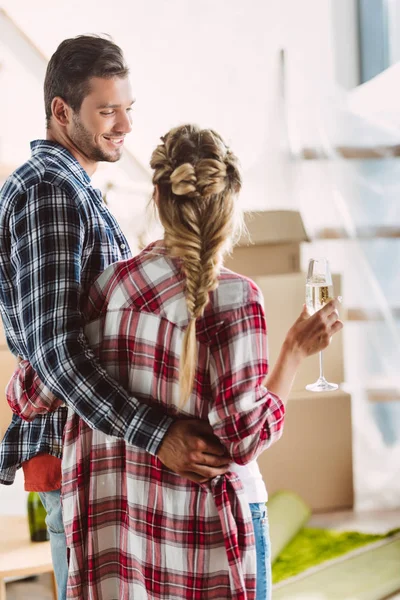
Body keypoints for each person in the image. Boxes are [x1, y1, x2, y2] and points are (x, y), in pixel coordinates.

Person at [8, 124, 343, 599]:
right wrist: (293, 354)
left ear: (157, 197)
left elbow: (28, 394)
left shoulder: (107, 289)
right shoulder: (237, 299)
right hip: (206, 545)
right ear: (232, 200)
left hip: (121, 546)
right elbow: (243, 439)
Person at [0, 37, 231, 600]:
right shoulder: (50, 191)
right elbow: (55, 350)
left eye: (128, 107)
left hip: (98, 446)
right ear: (61, 111)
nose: (125, 124)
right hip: (70, 451)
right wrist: (160, 435)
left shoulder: (76, 187)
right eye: (107, 110)